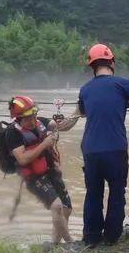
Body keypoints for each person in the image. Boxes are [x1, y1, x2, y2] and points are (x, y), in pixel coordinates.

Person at [74, 44, 129, 247]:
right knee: (117, 193)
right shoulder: (121, 84)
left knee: (93, 193)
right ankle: (111, 237)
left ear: (92, 66)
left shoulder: (85, 89)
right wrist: (126, 99)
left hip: (90, 149)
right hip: (115, 148)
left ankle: (91, 238)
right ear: (112, 63)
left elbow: (82, 112)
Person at [5, 95, 78, 244]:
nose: (32, 121)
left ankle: (55, 245)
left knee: (66, 209)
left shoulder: (42, 122)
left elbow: (64, 126)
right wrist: (45, 144)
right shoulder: (12, 133)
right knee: (56, 206)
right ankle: (71, 244)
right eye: (27, 118)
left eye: (34, 116)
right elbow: (23, 159)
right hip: (33, 176)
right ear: (18, 119)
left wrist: (79, 109)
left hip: (50, 169)